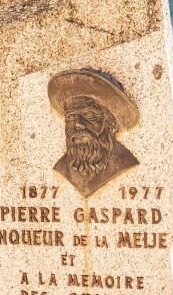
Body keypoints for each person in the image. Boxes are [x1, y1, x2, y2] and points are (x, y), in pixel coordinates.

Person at [48, 68, 140, 198]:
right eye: (71, 117)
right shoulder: (61, 167)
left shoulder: (124, 162)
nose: (78, 123)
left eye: (89, 114)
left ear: (110, 121)